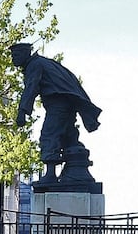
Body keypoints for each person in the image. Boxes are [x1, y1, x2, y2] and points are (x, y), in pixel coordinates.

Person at [10, 42, 102, 186]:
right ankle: (75, 171)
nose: (13, 59)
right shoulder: (45, 62)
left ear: (25, 53)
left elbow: (31, 88)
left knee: (49, 134)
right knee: (68, 135)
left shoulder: (34, 65)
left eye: (15, 55)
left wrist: (22, 112)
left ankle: (51, 174)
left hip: (58, 105)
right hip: (67, 103)